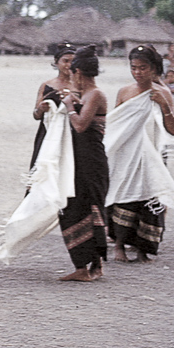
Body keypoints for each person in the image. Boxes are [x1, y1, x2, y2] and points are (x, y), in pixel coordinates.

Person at [106, 45, 174, 263]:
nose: (138, 72)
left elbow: (173, 130)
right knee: (123, 194)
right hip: (126, 154)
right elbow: (114, 125)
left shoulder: (163, 92)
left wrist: (164, 106)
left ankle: (143, 248)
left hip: (151, 155)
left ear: (154, 68)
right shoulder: (125, 92)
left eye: (143, 68)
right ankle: (119, 245)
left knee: (150, 196)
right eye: (134, 68)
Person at [54, 45, 109, 282]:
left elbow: (80, 125)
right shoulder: (85, 96)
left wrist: (68, 106)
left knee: (87, 209)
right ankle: (87, 267)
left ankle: (87, 267)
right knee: (77, 208)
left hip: (91, 162)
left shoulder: (95, 95)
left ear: (78, 72)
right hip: (81, 161)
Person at [29, 43, 74, 170]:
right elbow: (36, 115)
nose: (69, 65)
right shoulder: (47, 85)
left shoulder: (80, 86)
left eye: (73, 61)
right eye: (65, 61)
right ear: (56, 62)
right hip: (47, 132)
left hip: (72, 133)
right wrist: (42, 109)